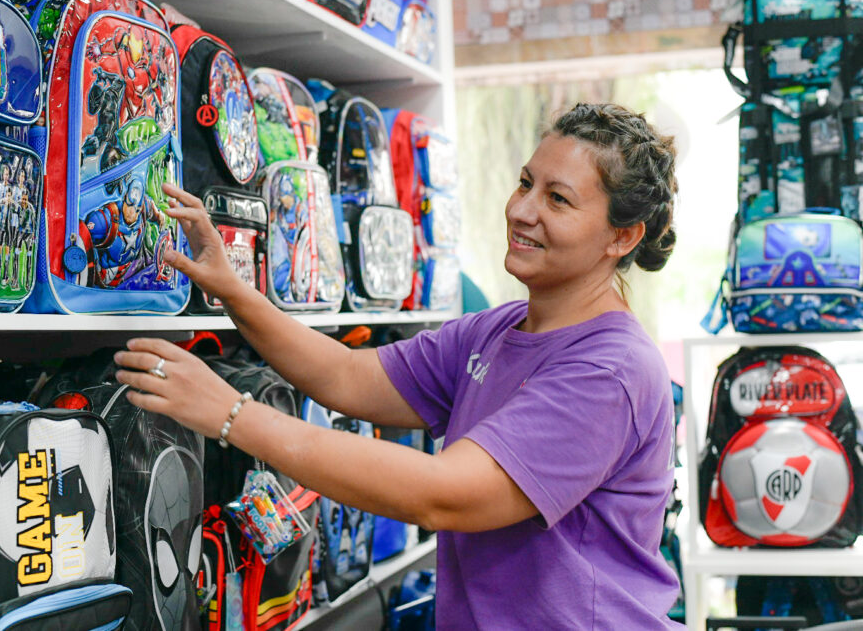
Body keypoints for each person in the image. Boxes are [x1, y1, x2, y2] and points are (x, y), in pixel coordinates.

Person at [115, 103, 682, 628]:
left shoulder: (611, 372)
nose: (521, 210)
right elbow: (347, 376)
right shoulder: (496, 330)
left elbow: (443, 494)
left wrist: (232, 415)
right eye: (525, 183)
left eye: (558, 199)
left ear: (622, 236)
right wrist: (234, 292)